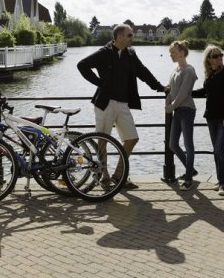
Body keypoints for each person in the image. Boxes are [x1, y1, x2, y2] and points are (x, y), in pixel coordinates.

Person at [77, 23, 166, 189]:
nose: (133, 38)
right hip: (105, 103)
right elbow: (82, 65)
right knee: (102, 140)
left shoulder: (131, 54)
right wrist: (99, 82)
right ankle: (104, 176)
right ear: (119, 37)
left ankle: (119, 176)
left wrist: (160, 87)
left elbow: (143, 72)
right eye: (130, 35)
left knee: (132, 138)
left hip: (123, 103)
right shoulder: (103, 53)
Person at [191, 44, 224, 196]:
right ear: (208, 60)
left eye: (221, 55)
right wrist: (186, 93)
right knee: (217, 151)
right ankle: (220, 180)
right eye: (215, 56)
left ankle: (223, 184)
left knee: (219, 149)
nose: (219, 58)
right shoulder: (210, 74)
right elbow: (205, 92)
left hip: (223, 119)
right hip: (211, 117)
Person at [165, 40, 198, 190]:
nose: (170, 55)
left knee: (188, 144)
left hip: (187, 110)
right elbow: (172, 89)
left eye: (173, 52)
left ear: (181, 53)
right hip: (178, 110)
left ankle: (189, 179)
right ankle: (190, 169)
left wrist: (172, 106)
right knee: (172, 144)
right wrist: (168, 97)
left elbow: (184, 93)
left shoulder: (189, 70)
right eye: (170, 52)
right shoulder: (175, 69)